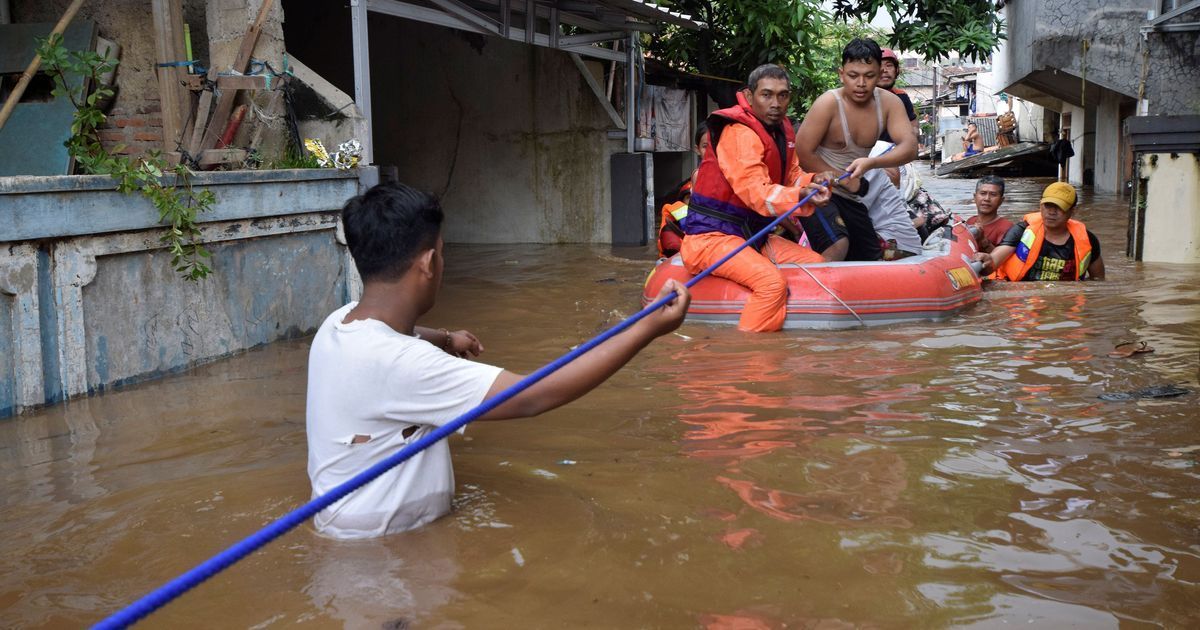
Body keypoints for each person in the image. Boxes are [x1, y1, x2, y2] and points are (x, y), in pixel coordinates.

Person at [307, 182, 691, 539]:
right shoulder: (405, 365)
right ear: (427, 264)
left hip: (349, 530)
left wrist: (445, 338)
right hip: (390, 551)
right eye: (442, 254)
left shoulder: (338, 324)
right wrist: (647, 329)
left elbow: (398, 337)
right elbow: (533, 395)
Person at [681, 63, 833, 333]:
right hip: (711, 239)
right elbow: (756, 192)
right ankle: (751, 360)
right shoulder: (738, 132)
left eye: (783, 95)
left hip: (750, 236)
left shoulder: (781, 131)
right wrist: (800, 193)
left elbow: (792, 177)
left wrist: (813, 181)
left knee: (817, 264)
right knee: (772, 283)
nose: (776, 103)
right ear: (750, 97)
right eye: (767, 95)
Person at [795, 38, 921, 262]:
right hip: (817, 189)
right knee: (838, 244)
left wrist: (871, 163)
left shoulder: (890, 103)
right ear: (841, 74)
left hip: (853, 194)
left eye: (869, 75)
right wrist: (840, 179)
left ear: (879, 73)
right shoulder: (827, 104)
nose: (861, 83)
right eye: (853, 76)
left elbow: (910, 148)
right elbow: (803, 154)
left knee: (869, 258)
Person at [989, 182, 1105, 281]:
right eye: (1047, 205)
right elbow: (994, 260)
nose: (1052, 212)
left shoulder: (1088, 240)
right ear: (1040, 205)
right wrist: (986, 260)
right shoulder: (1022, 231)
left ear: (1073, 211)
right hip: (1023, 301)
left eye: (1059, 207)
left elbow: (1098, 281)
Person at [657, 124, 709, 257]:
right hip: (697, 240)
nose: (710, 152)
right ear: (697, 149)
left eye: (715, 146)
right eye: (705, 146)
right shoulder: (697, 177)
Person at [876, 48, 919, 143]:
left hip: (896, 153)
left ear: (897, 71)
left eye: (889, 65)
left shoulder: (901, 96)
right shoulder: (861, 98)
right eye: (879, 65)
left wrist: (911, 137)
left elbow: (913, 125)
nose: (884, 70)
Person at [965, 175, 1014, 252]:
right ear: (975, 197)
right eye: (983, 193)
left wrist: (982, 240)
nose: (987, 199)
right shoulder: (970, 221)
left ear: (1001, 200)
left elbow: (1002, 259)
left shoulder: (1007, 228)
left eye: (993, 194)